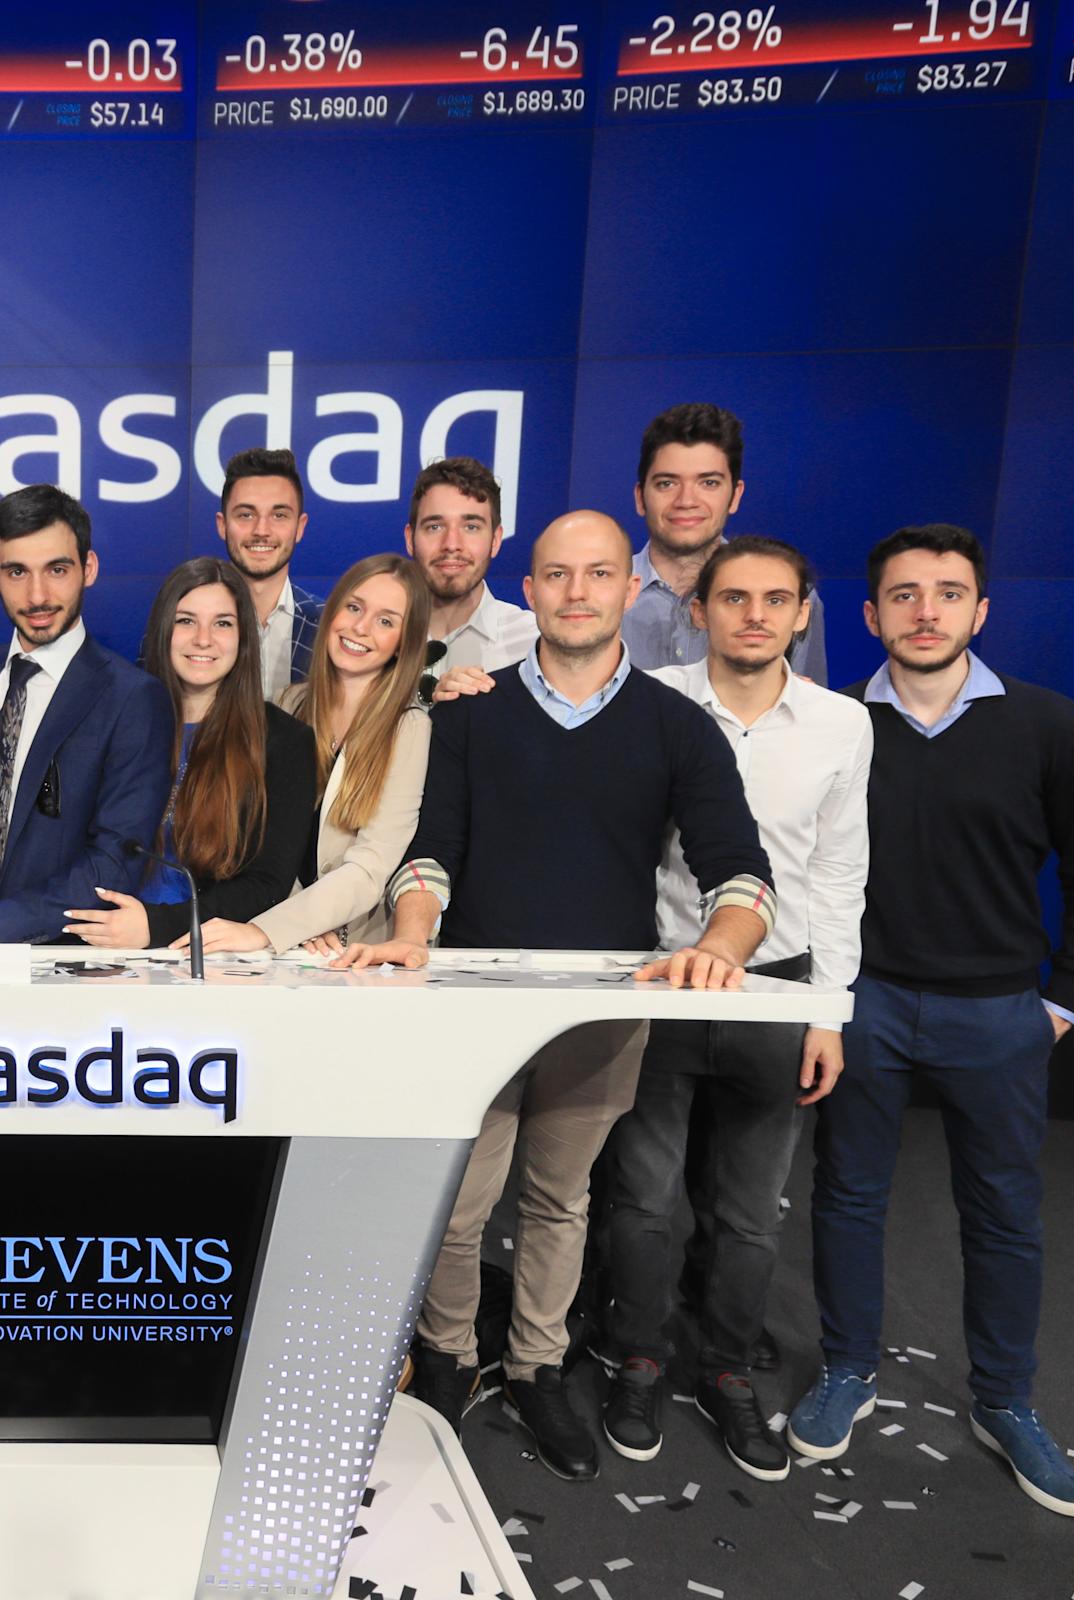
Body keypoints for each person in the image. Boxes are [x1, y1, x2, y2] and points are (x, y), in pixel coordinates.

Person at [346, 511, 776, 1483]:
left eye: (598, 574)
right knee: (458, 1204)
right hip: (472, 1008)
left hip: (600, 1009)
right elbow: (429, 852)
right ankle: (449, 1357)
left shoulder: (678, 723)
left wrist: (721, 942)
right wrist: (413, 931)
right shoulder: (467, 711)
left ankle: (538, 1363)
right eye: (555, 574)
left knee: (561, 1198)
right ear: (527, 588)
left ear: (634, 589)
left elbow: (740, 871)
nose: (576, 591)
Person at [790, 524, 1074, 1518]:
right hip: (866, 1004)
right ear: (870, 615)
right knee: (848, 1197)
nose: (926, 610)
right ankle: (849, 1368)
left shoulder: (1048, 724)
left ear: (981, 611)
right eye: (904, 594)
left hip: (999, 1011)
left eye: (948, 593)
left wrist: (1065, 1001)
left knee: (1004, 1214)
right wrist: (825, 996)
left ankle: (1005, 1401)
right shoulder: (835, 721)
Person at [595, 537, 873, 1482]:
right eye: (733, 598)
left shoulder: (842, 726)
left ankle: (723, 1367)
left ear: (803, 614)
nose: (753, 615)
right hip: (661, 979)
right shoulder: (650, 700)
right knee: (640, 1195)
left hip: (779, 987)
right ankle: (635, 1356)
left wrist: (828, 1012)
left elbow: (841, 877)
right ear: (701, 610)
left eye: (775, 600)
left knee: (750, 1213)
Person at [0, 484, 171, 947]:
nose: (37, 594)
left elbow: (114, 861)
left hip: (54, 967)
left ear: (88, 568)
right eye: (17, 571)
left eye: (57, 569)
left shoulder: (132, 697)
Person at [63, 558, 316, 949]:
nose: (203, 639)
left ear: (244, 637)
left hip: (208, 960)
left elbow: (267, 885)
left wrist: (158, 927)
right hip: (96, 947)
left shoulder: (284, 741)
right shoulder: (111, 723)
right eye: (186, 621)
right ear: (163, 630)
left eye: (222, 623)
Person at [195, 555, 433, 956]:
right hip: (280, 940)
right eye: (354, 608)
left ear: (403, 644)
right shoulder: (289, 704)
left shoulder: (409, 727)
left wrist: (276, 928)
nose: (360, 628)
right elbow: (264, 841)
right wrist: (292, 923)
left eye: (386, 621)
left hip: (353, 953)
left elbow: (370, 866)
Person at [623, 403, 826, 680]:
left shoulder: (791, 596)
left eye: (708, 483)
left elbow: (806, 714)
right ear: (640, 496)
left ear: (735, 495)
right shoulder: (598, 594)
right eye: (667, 483)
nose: (686, 501)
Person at [403, 456, 537, 680]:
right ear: (410, 539)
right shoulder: (373, 636)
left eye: (471, 527)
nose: (452, 544)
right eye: (435, 526)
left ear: (495, 540)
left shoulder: (534, 644)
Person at [214, 446, 324, 704]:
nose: (261, 530)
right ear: (222, 525)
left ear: (300, 527)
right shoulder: (180, 626)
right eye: (246, 514)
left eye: (279, 515)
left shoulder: (332, 626)